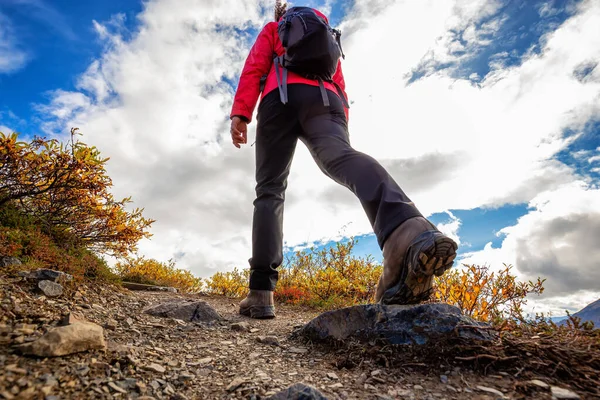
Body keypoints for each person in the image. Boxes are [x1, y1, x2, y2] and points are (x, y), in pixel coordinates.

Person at [229, 2, 458, 319]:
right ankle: (406, 228)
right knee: (341, 159)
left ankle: (261, 293)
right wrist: (340, 127)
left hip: (278, 98)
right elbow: (340, 84)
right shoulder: (328, 38)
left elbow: (255, 68)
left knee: (269, 189)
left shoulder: (273, 30)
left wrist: (241, 114)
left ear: (282, 20)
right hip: (326, 99)